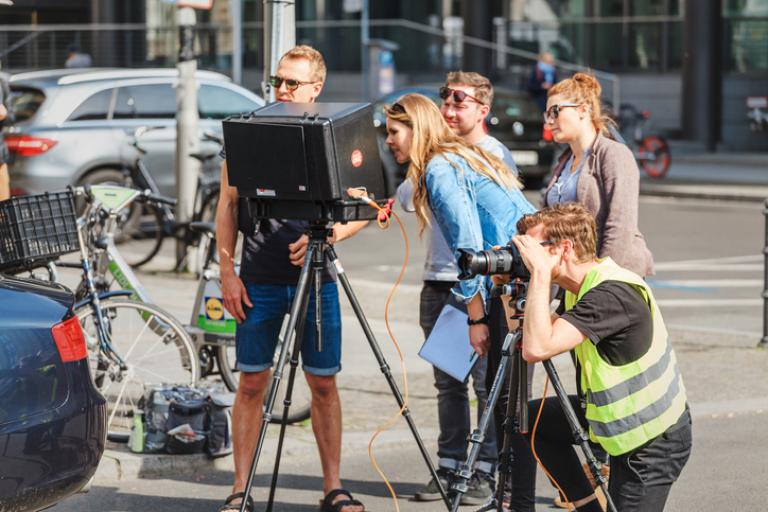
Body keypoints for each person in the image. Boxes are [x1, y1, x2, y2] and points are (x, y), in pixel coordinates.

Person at [216, 45, 366, 512]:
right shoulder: (249, 129)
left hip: (317, 278)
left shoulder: (332, 132)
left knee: (323, 384)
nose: (281, 89)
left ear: (316, 88)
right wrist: (227, 271)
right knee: (251, 383)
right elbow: (226, 206)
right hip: (257, 278)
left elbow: (366, 202)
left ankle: (333, 488)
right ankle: (241, 489)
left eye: (292, 82)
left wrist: (332, 236)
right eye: (277, 81)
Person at [385, 93, 536, 505]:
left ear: (416, 130)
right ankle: (463, 471)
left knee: (498, 391)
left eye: (394, 132)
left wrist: (474, 315)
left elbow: (469, 243)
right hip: (506, 273)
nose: (388, 141)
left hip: (510, 276)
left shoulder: (440, 166)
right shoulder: (451, 158)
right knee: (458, 375)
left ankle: (493, 481)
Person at [508, 203, 691, 512]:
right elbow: (528, 338)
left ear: (564, 249)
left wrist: (539, 274)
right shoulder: (580, 288)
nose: (528, 257)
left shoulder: (610, 295)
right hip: (612, 421)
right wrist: (508, 289)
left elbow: (538, 349)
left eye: (535, 248)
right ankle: (587, 506)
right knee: (533, 420)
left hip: (650, 441)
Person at [542, 72, 653, 277]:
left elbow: (620, 225)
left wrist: (601, 280)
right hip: (574, 277)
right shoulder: (564, 161)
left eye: (555, 111)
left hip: (611, 277)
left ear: (583, 109)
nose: (550, 121)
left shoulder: (613, 153)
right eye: (547, 114)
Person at [0, 70, 12, 200]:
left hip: (0, 158)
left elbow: (12, 116)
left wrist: (5, 115)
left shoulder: (2, 83)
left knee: (3, 208)